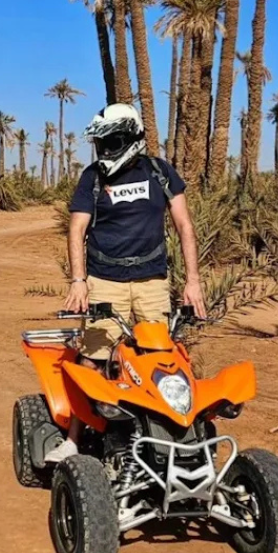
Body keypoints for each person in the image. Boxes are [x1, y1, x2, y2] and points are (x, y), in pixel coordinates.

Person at [46, 102, 206, 462]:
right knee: (93, 361)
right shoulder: (93, 177)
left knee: (161, 360)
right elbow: (77, 230)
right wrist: (78, 281)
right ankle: (73, 439)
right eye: (101, 143)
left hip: (152, 282)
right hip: (106, 281)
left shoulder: (160, 172)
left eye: (112, 140)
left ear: (132, 137)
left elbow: (184, 226)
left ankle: (165, 439)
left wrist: (192, 281)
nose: (105, 150)